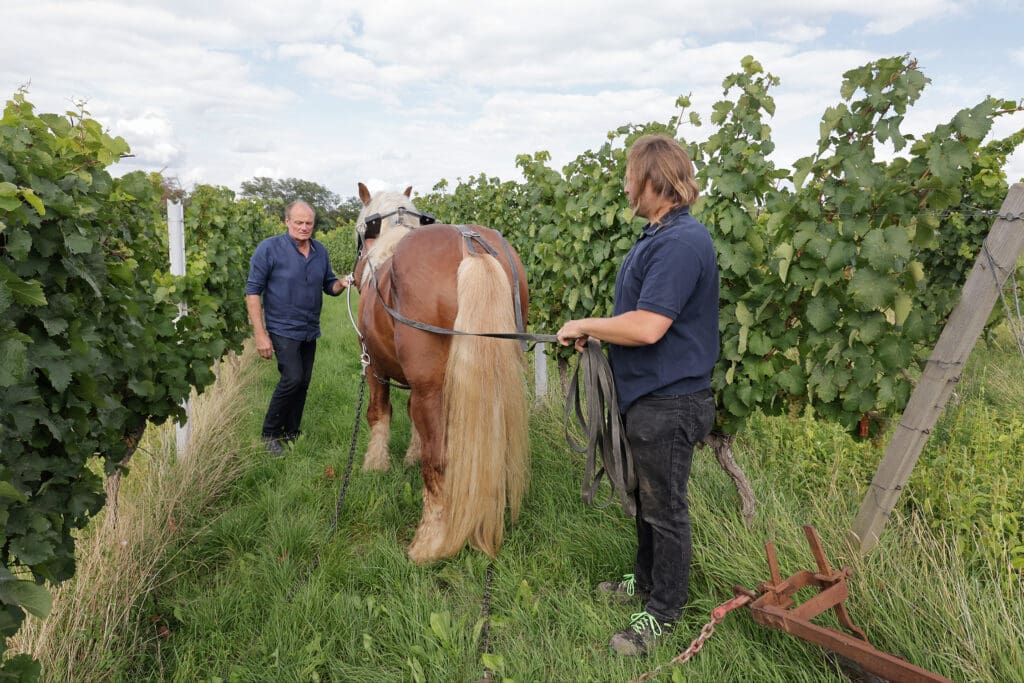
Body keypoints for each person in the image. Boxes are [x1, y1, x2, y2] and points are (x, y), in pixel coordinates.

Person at [556, 134, 720, 656]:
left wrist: (585, 322)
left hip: (671, 402)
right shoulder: (658, 236)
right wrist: (600, 331)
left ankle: (664, 614)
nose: (626, 185)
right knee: (650, 501)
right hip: (649, 398)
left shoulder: (679, 243)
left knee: (666, 508)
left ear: (655, 180)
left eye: (631, 176)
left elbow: (649, 327)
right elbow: (637, 319)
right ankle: (647, 585)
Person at [246, 200, 349, 455]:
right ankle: (270, 434)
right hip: (282, 328)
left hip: (309, 328)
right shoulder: (269, 249)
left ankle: (291, 431)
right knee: (292, 378)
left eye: (309, 223)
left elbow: (329, 286)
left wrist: (343, 283)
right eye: (299, 222)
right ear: (287, 222)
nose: (304, 227)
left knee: (303, 382)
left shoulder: (320, 251)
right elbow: (252, 292)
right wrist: (261, 334)